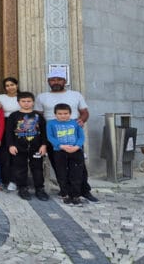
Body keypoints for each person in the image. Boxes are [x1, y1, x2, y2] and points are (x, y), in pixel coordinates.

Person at [35, 67, 98, 202]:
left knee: (79, 167)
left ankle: (84, 191)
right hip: (53, 136)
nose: (56, 82)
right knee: (59, 167)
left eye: (59, 79)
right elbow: (38, 115)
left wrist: (81, 120)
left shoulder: (75, 95)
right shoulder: (42, 97)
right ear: (48, 81)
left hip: (73, 135)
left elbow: (84, 112)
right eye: (52, 80)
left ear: (65, 81)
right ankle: (66, 192)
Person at [6, 91, 49, 201]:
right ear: (18, 102)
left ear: (33, 102)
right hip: (19, 147)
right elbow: (9, 132)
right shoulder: (13, 116)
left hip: (36, 147)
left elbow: (44, 132)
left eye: (29, 101)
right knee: (20, 168)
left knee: (37, 168)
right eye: (23, 101)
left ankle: (39, 189)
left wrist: (44, 145)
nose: (26, 103)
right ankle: (22, 188)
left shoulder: (38, 116)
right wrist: (11, 145)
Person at [47, 103, 86, 205]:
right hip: (59, 151)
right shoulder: (51, 123)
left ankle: (76, 195)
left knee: (76, 174)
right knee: (62, 174)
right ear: (55, 114)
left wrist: (77, 147)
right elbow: (50, 137)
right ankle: (65, 194)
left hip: (76, 151)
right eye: (60, 114)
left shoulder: (76, 123)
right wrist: (61, 146)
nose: (63, 116)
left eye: (65, 113)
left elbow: (81, 137)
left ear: (70, 113)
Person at [0, 77, 21, 191]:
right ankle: (5, 179)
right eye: (7, 85)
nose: (10, 87)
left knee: (17, 152)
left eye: (12, 85)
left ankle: (15, 180)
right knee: (4, 153)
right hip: (3, 125)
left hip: (19, 125)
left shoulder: (22, 97)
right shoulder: (0, 98)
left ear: (17, 85)